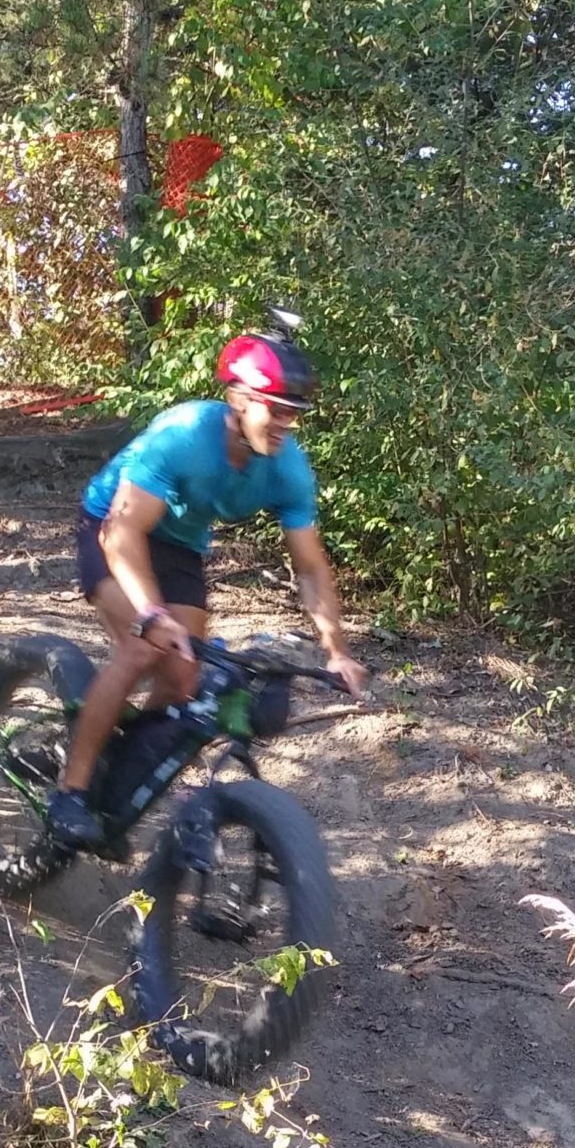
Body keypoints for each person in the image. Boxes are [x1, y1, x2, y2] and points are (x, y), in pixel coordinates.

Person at [48, 321, 369, 850]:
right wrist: (151, 613)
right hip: (113, 522)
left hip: (179, 546)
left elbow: (310, 567)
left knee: (184, 679)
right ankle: (72, 791)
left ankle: (117, 759)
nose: (287, 423)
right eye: (277, 408)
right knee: (139, 648)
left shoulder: (288, 469)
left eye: (295, 413)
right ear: (239, 399)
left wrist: (336, 650)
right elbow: (124, 532)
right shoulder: (183, 435)